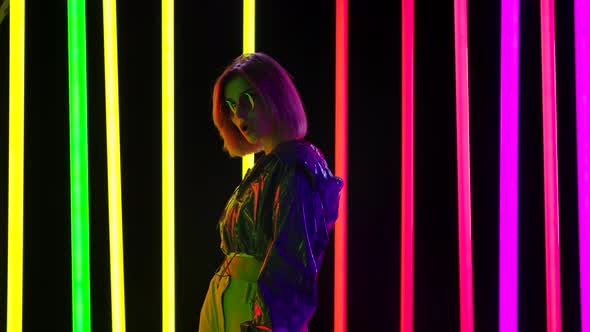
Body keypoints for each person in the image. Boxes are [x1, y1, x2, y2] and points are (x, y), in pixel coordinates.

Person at [198, 52, 343, 332]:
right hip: (228, 302)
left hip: (253, 310)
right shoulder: (271, 167)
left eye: (246, 101)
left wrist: (265, 321)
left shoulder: (295, 167)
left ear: (274, 97)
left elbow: (293, 264)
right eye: (230, 106)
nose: (238, 114)